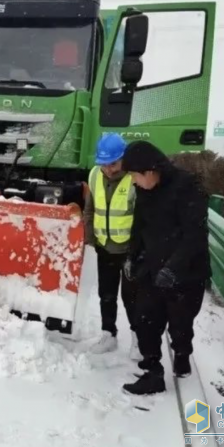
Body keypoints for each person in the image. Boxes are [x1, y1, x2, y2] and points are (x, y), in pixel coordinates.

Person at [120, 140, 211, 395]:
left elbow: (195, 234)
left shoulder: (187, 187)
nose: (134, 182)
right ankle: (152, 373)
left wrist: (173, 268)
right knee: (145, 319)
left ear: (150, 170)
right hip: (152, 268)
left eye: (135, 176)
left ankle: (182, 351)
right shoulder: (146, 191)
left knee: (180, 324)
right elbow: (139, 226)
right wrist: (131, 255)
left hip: (186, 272)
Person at [83, 133, 140, 359]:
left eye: (113, 163)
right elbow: (89, 210)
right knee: (106, 294)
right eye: (104, 164)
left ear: (123, 159)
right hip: (104, 246)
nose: (108, 169)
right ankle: (109, 334)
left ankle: (138, 339)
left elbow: (143, 218)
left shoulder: (134, 179)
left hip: (128, 250)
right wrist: (90, 239)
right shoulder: (95, 176)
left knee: (132, 297)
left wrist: (138, 250)